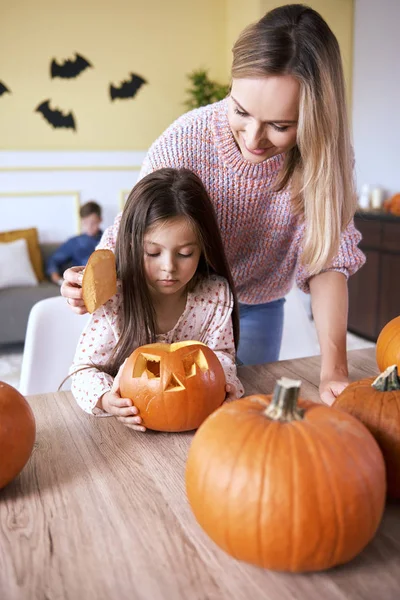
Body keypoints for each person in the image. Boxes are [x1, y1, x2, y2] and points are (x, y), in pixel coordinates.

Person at [62, 4, 365, 405]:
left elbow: (327, 260)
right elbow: (136, 225)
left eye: (280, 125)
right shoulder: (185, 140)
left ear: (314, 117)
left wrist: (334, 371)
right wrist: (91, 274)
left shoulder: (326, 160)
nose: (254, 137)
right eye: (240, 110)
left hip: (257, 305)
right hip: (172, 298)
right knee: (161, 407)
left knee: (239, 410)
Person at [70, 168, 244, 431]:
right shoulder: (115, 299)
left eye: (185, 254)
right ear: (130, 247)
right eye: (152, 253)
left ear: (203, 249)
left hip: (200, 431)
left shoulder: (214, 295)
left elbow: (222, 356)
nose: (168, 267)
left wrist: (225, 383)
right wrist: (106, 400)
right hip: (125, 442)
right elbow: (83, 371)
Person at [46, 201, 103, 285]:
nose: (89, 227)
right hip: (82, 281)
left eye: (93, 222)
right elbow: (54, 261)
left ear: (100, 220)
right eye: (85, 223)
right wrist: (57, 279)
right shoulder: (74, 242)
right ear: (81, 222)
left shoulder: (109, 238)